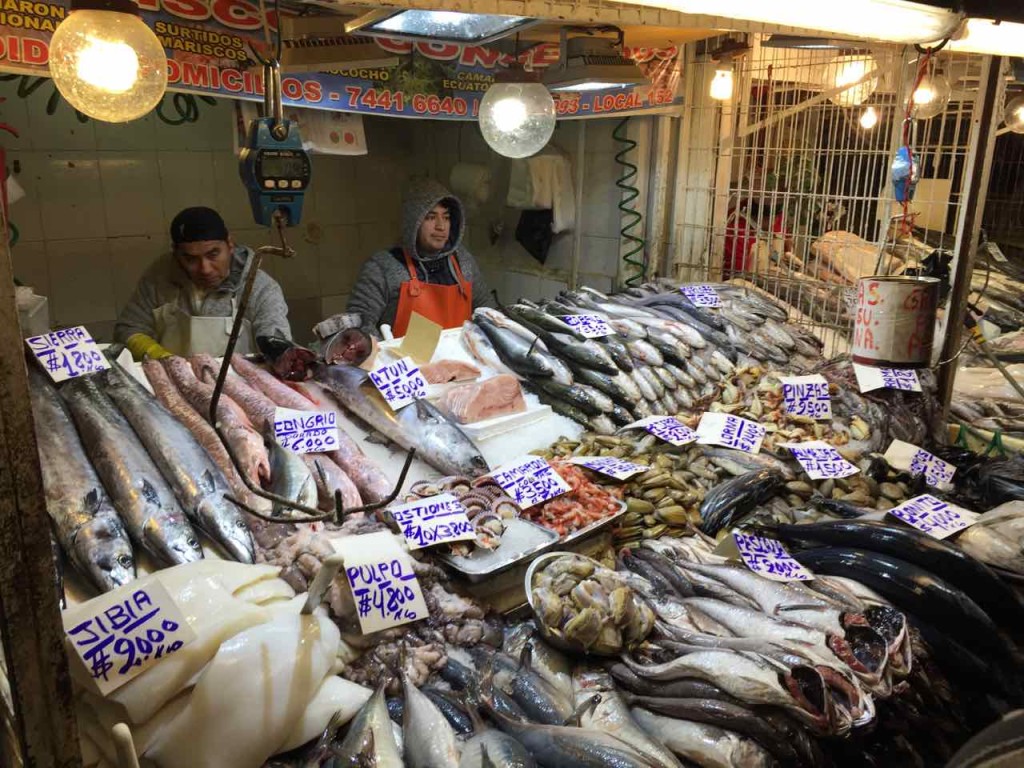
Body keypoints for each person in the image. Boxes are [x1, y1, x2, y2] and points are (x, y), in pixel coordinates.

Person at [114, 206, 291, 359]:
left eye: (213, 254)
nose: (205, 269)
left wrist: (280, 355)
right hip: (172, 383)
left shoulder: (259, 287)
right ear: (176, 254)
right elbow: (127, 329)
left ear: (230, 244)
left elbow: (277, 341)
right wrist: (160, 357)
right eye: (190, 259)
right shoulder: (159, 278)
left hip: (240, 387)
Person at [347, 178, 496, 337]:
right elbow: (359, 324)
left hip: (458, 359)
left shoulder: (463, 261)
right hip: (405, 361)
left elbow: (488, 311)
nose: (441, 226)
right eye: (431, 217)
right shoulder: (383, 266)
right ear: (413, 222)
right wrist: (380, 353)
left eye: (446, 217)